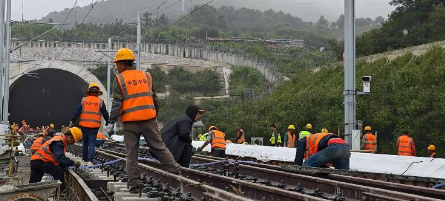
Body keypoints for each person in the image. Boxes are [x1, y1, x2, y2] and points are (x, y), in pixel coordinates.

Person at [108, 48, 181, 193]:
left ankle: (134, 185)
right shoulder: (146, 76)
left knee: (131, 153)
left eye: (117, 63)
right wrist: (155, 114)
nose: (116, 67)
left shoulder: (120, 78)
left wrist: (111, 121)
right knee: (159, 147)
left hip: (130, 122)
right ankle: (176, 172)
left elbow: (117, 102)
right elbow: (154, 99)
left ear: (123, 64)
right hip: (149, 119)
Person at [71, 82, 109, 165]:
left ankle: (84, 160)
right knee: (92, 143)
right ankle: (90, 161)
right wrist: (107, 121)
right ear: (97, 92)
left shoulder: (84, 100)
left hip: (84, 125)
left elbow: (77, 111)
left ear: (89, 91)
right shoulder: (100, 101)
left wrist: (73, 121)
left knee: (85, 142)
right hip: (94, 126)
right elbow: (104, 113)